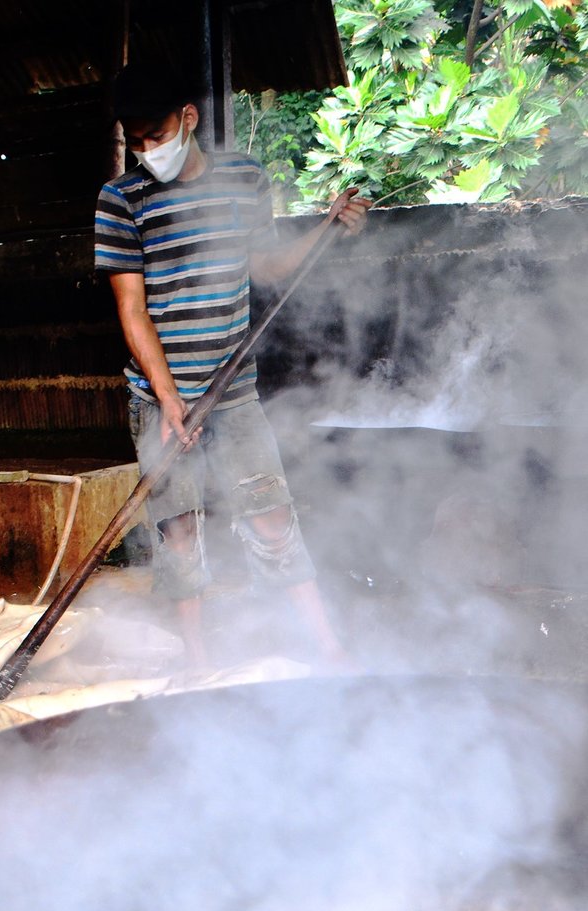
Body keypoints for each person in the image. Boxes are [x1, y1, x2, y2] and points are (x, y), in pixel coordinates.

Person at [95, 62, 369, 670]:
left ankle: (328, 650)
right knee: (179, 530)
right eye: (134, 141)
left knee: (271, 514)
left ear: (187, 119)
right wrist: (168, 399)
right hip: (158, 398)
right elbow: (131, 309)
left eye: (156, 135)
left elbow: (265, 267)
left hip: (234, 392)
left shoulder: (245, 177)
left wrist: (326, 228)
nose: (146, 151)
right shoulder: (121, 198)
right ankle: (197, 662)